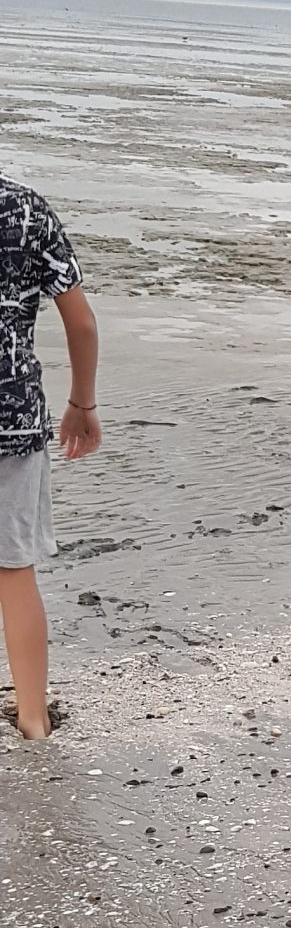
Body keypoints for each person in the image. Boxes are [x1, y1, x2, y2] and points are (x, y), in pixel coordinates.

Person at [1, 177, 99, 741]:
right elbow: (80, 322)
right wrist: (82, 404)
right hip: (12, 416)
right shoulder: (26, 207)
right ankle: (33, 719)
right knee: (14, 570)